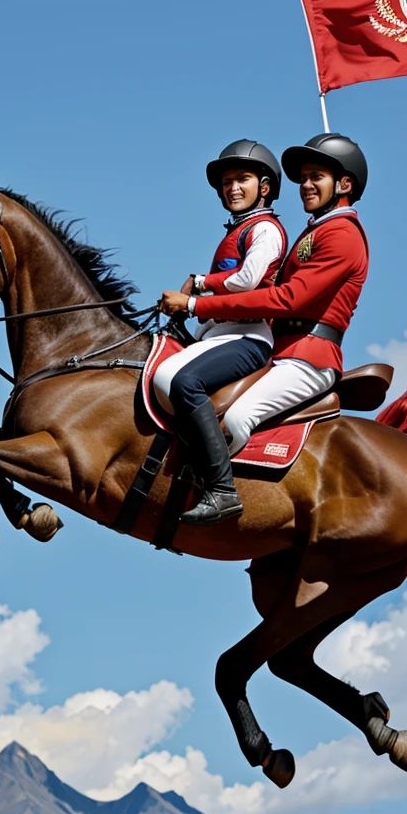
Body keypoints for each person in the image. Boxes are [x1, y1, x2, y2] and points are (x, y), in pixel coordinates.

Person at [160, 132, 369, 455]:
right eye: (303, 178)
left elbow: (287, 299)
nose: (306, 185)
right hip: (280, 353)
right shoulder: (315, 230)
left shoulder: (343, 234)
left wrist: (195, 304)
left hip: (309, 358)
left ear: (345, 184)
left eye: (317, 177)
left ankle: (222, 492)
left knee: (237, 419)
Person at [155, 140, 287, 525]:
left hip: (249, 338)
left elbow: (247, 281)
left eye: (242, 179)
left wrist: (198, 284)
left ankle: (222, 488)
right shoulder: (241, 229)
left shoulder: (265, 228)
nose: (232, 188)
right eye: (227, 181)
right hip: (218, 334)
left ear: (264, 187)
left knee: (183, 382)